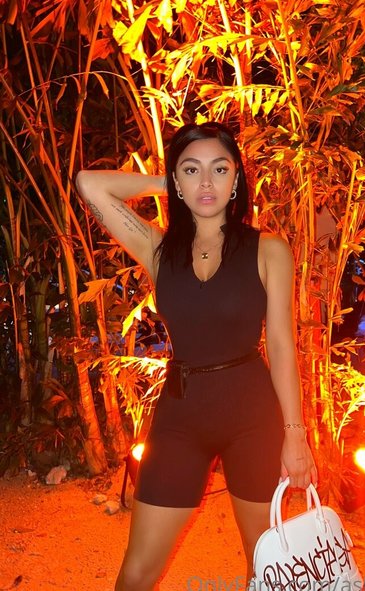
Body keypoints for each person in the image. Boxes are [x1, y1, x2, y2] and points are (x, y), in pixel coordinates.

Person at [76, 122, 317, 591]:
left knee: (265, 566)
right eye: (192, 171)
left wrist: (295, 436)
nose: (206, 182)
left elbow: (281, 346)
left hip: (253, 417)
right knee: (137, 571)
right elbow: (89, 184)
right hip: (181, 417)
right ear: (178, 181)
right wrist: (166, 183)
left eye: (219, 170)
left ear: (236, 179)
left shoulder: (268, 250)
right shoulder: (158, 249)